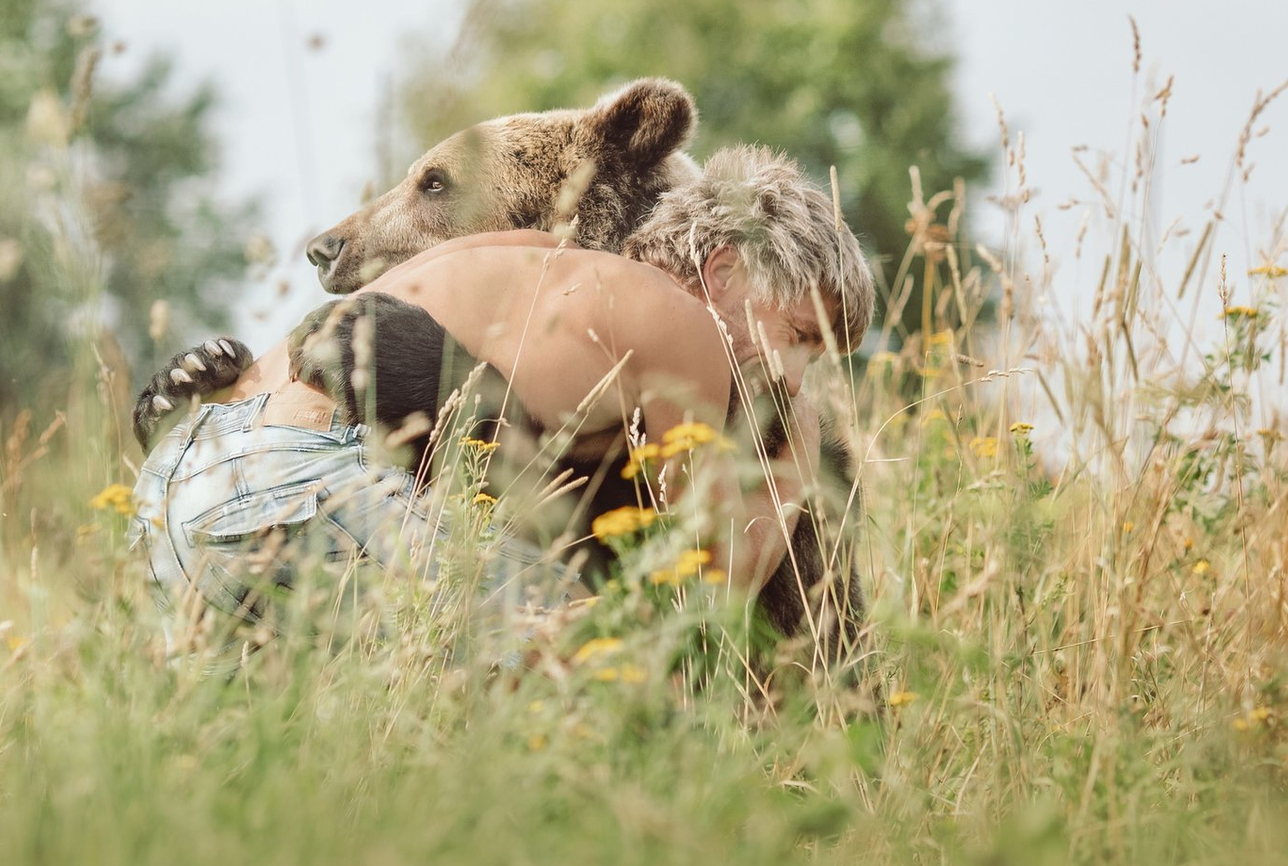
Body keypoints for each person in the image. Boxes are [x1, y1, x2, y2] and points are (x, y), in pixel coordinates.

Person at [128, 146, 874, 633]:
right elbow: (703, 598)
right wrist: (798, 445)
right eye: (800, 334)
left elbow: (306, 354)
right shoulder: (687, 329)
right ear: (724, 273)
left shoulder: (536, 262)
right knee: (593, 669)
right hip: (303, 489)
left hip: (186, 471)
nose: (796, 372)